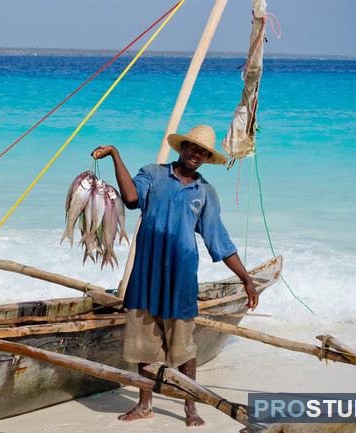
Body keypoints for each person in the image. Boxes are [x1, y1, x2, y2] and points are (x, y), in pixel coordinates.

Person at [91, 124, 258, 427]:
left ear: (207, 158)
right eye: (193, 148)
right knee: (144, 346)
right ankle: (144, 405)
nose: (197, 154)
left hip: (181, 279)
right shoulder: (153, 174)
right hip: (146, 275)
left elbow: (218, 240)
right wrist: (115, 154)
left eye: (204, 152)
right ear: (182, 148)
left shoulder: (204, 192)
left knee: (184, 349)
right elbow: (130, 199)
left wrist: (246, 279)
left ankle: (190, 407)